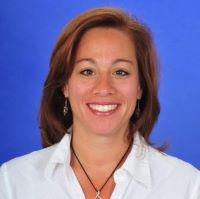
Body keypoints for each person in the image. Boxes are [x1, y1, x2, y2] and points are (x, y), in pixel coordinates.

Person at [0, 7, 199, 199]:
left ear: (140, 87)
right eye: (87, 71)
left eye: (120, 72)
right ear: (65, 85)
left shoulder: (188, 186)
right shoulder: (12, 182)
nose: (104, 88)